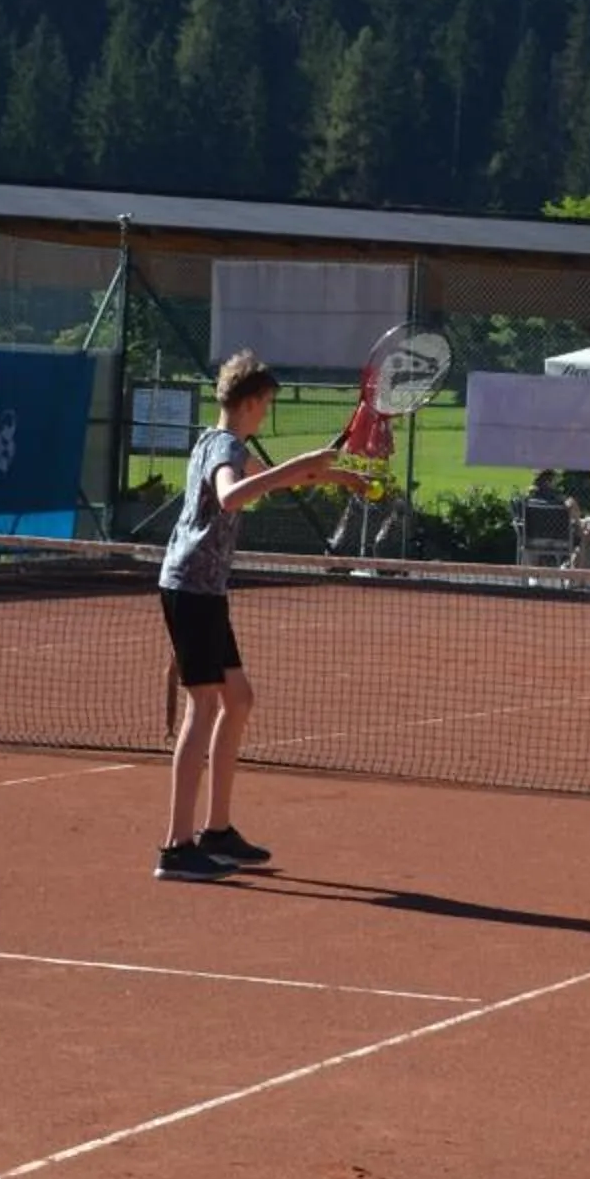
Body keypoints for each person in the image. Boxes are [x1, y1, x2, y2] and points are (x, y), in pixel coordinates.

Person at [156, 352, 339, 883]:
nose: (267, 413)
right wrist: (299, 463)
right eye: (267, 405)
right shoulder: (226, 448)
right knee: (205, 705)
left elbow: (269, 481)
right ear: (252, 401)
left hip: (202, 589)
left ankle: (217, 831)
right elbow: (232, 495)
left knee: (238, 699)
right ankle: (176, 846)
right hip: (192, 588)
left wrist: (333, 474)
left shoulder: (213, 442)